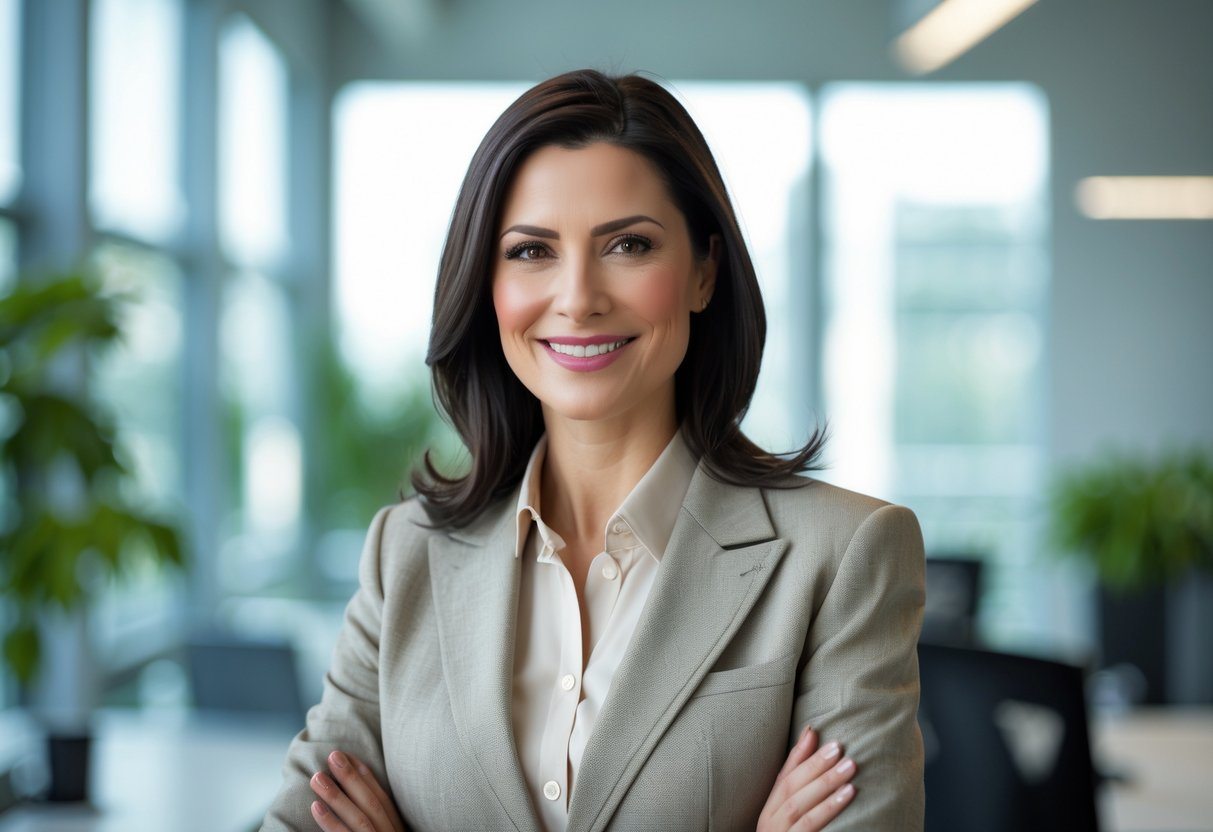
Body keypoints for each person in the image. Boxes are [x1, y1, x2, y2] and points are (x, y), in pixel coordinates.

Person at [260, 68, 924, 832]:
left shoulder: (842, 555)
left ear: (704, 271)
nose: (577, 298)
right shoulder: (405, 554)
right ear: (486, 284)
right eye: (531, 252)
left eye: (628, 245)